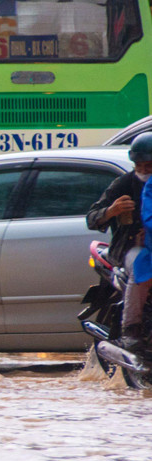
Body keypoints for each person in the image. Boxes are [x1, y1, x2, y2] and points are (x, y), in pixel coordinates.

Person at [88, 132, 152, 350]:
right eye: (139, 165)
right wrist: (111, 210)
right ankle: (131, 329)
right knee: (142, 268)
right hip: (131, 249)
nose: (143, 170)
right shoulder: (123, 184)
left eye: (149, 165)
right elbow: (92, 217)